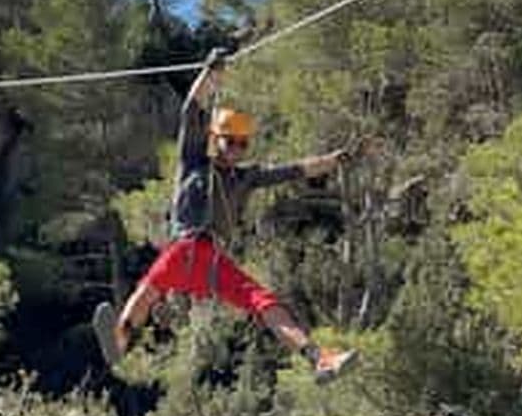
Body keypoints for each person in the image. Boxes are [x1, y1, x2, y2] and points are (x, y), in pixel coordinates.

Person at [93, 50, 357, 381]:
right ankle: (119, 343)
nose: (236, 150)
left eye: (242, 144)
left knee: (266, 302)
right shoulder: (193, 159)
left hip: (215, 263)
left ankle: (319, 359)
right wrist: (210, 74)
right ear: (215, 139)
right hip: (184, 249)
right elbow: (192, 109)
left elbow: (293, 170)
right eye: (230, 142)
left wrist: (332, 160)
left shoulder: (245, 177)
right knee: (147, 290)